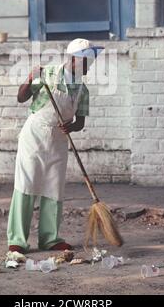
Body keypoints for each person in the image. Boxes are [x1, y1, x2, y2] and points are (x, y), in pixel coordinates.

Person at [7, 38, 103, 253]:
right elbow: (21, 98)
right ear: (74, 59)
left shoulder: (82, 90)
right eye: (86, 62)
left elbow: (80, 122)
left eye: (91, 63)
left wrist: (72, 127)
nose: (89, 67)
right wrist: (30, 78)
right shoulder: (48, 73)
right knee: (26, 185)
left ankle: (50, 239)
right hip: (34, 137)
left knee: (53, 187)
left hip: (59, 141)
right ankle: (17, 240)